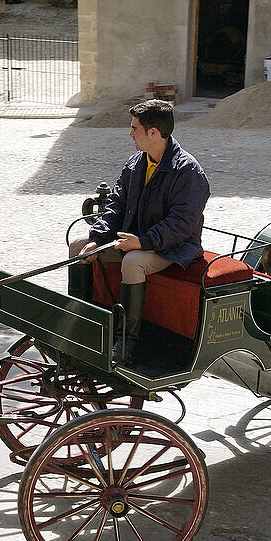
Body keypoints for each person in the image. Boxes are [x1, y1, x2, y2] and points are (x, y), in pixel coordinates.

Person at [68, 98, 210, 365]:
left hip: (174, 247)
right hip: (136, 239)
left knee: (133, 262)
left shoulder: (189, 171)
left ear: (153, 133)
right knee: (78, 245)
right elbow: (116, 205)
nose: (130, 133)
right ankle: (81, 321)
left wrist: (142, 242)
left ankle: (126, 343)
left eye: (135, 128)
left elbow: (182, 224)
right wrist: (97, 239)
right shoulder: (136, 162)